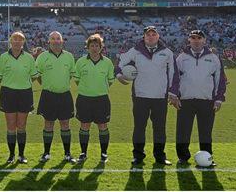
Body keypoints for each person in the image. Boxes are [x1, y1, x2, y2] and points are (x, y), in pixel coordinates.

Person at [116, 26, 179, 166]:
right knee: (139, 127)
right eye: (148, 34)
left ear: (158, 36)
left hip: (160, 97)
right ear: (144, 37)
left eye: (153, 34)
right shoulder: (135, 50)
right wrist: (119, 75)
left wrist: (173, 92)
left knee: (160, 128)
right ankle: (138, 156)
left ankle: (160, 156)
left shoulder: (167, 52)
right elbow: (120, 63)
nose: (151, 37)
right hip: (140, 96)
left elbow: (174, 73)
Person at [168, 29, 227, 167]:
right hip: (185, 101)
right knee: (183, 131)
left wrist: (218, 99)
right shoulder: (181, 58)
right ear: (189, 40)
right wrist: (173, 95)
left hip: (207, 101)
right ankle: (183, 157)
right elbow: (174, 78)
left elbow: (220, 80)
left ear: (204, 40)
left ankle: (207, 157)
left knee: (206, 132)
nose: (196, 40)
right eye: (193, 38)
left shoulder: (213, 58)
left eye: (199, 38)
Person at [0, 31, 39, 164]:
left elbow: (34, 76)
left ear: (23, 42)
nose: (17, 42)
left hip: (24, 93)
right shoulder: (3, 57)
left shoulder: (29, 58)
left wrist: (22, 83)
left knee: (21, 125)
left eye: (20, 40)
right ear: (10, 41)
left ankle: (21, 155)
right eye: (15, 39)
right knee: (10, 126)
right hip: (8, 93)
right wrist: (11, 83)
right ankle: (11, 155)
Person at [74, 34, 117, 163]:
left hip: (101, 99)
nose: (94, 48)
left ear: (101, 47)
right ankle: (83, 153)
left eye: (97, 45)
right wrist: (88, 89)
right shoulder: (81, 62)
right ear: (87, 47)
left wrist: (99, 89)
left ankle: (104, 154)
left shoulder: (108, 62)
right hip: (84, 99)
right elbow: (77, 80)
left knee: (103, 125)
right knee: (84, 125)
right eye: (91, 45)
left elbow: (110, 80)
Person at [36, 31, 77, 163]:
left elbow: (71, 74)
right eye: (53, 39)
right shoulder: (42, 57)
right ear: (49, 41)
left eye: (58, 38)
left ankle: (67, 154)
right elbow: (37, 75)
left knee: (65, 123)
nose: (55, 41)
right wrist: (48, 84)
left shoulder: (69, 57)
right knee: (48, 123)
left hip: (65, 94)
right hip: (48, 95)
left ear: (62, 41)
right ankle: (46, 153)